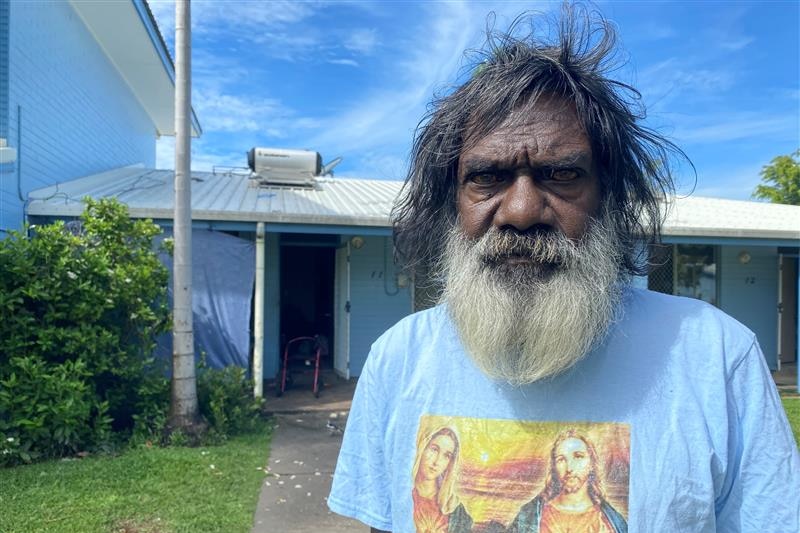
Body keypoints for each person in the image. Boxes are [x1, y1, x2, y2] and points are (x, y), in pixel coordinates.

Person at [328, 6, 800, 532]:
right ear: (451, 204)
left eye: (561, 174)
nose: (522, 212)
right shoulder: (399, 358)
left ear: (610, 198)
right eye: (487, 177)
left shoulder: (715, 358)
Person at [507, 429, 626, 533]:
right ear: (554, 467)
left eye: (578, 456)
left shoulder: (610, 522)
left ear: (591, 463)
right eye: (561, 459)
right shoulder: (530, 515)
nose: (569, 468)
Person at [411, 426, 473, 533]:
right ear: (422, 447)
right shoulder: (404, 495)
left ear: (450, 463)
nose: (437, 461)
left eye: (447, 456)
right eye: (434, 449)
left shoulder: (454, 508)